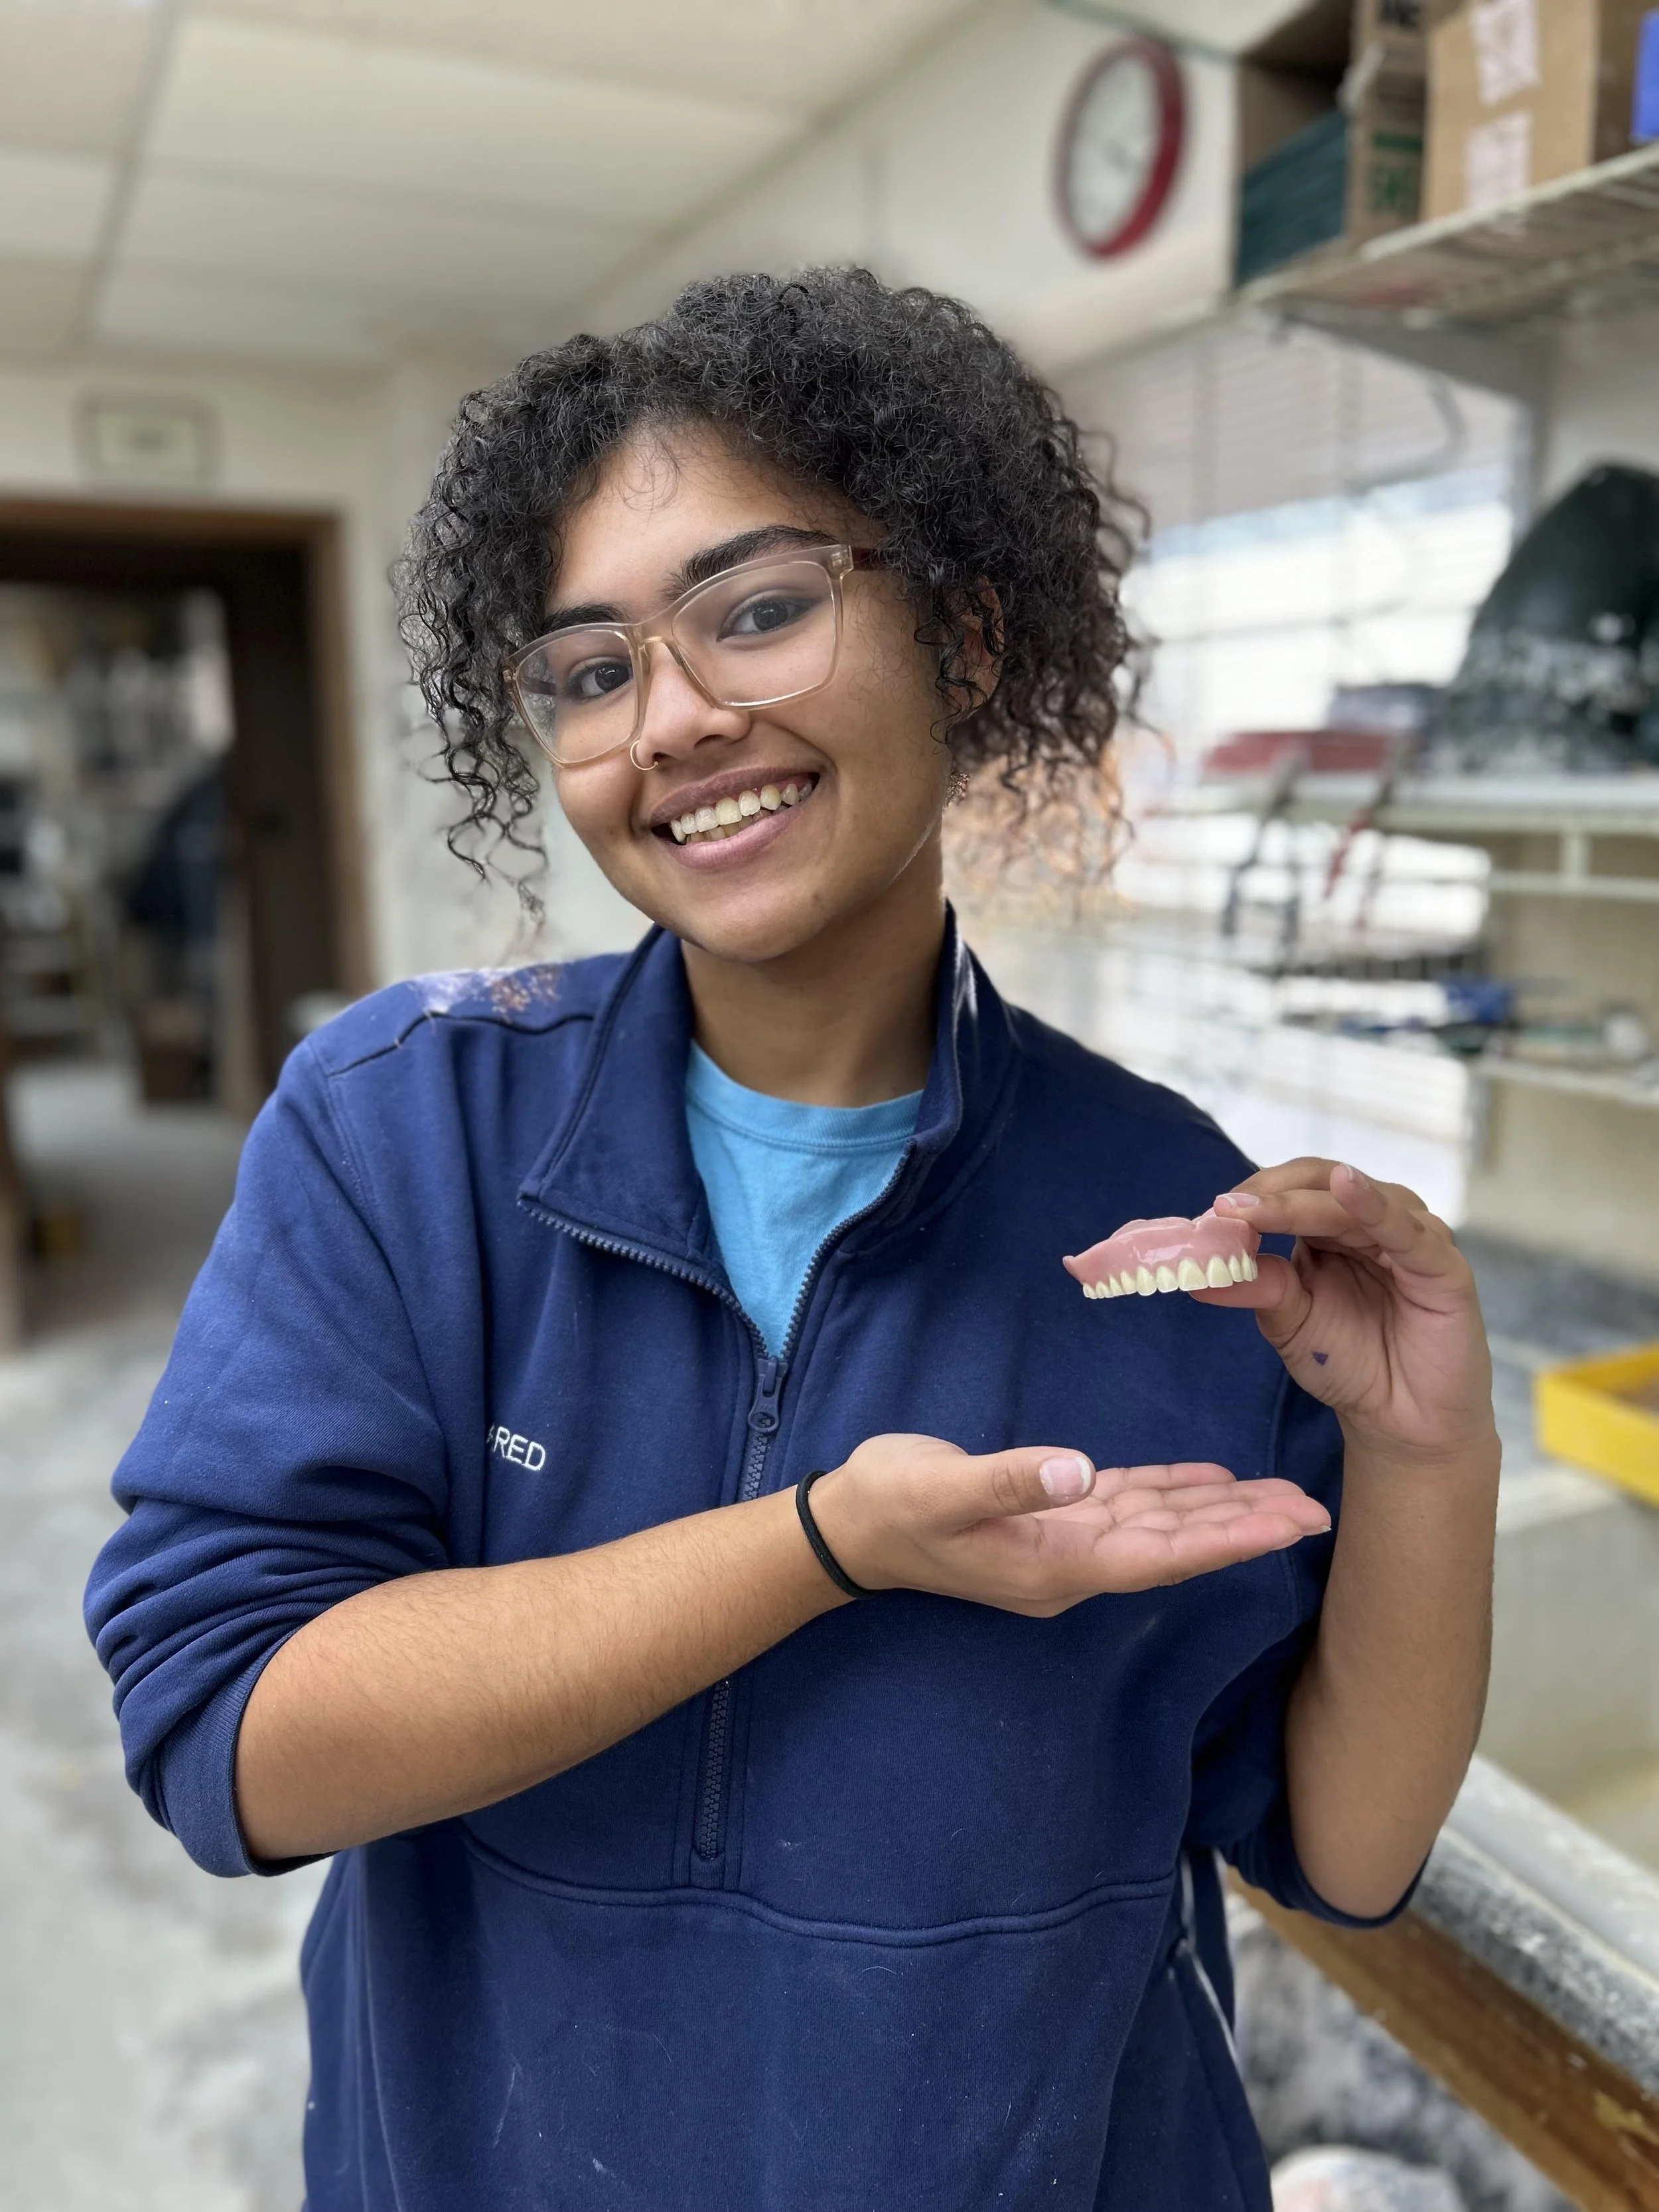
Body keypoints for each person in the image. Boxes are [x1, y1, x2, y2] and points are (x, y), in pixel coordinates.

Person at [85, 269, 1500, 2212]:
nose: (670, 719)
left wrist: (1428, 1456)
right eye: (590, 669)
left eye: (757, 610)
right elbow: (227, 1736)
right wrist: (819, 1543)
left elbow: (1339, 1848)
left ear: (967, 629)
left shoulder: (1167, 1211)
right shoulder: (404, 1127)